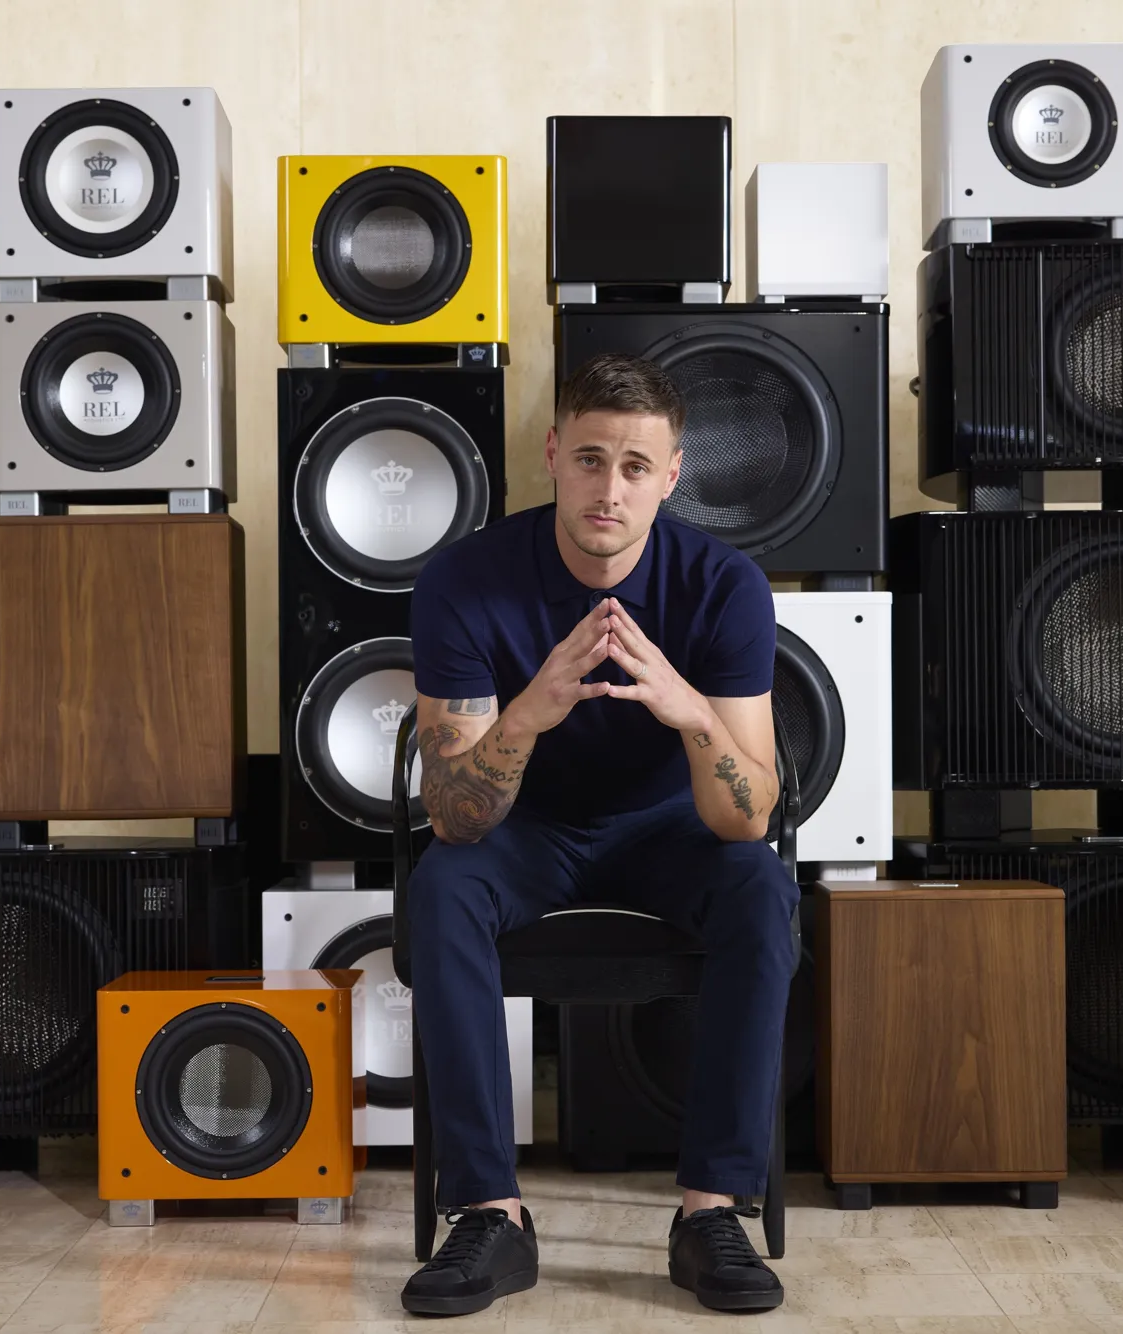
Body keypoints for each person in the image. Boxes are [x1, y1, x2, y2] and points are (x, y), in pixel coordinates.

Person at [398, 352, 797, 1317]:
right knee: (443, 887)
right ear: (552, 456)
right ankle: (489, 1215)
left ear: (671, 475)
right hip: (525, 828)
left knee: (761, 889)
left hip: (670, 829)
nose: (608, 490)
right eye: (588, 460)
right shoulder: (465, 581)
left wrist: (690, 711)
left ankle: (712, 1214)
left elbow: (747, 816)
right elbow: (453, 814)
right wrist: (530, 712)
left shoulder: (726, 586)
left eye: (634, 466)